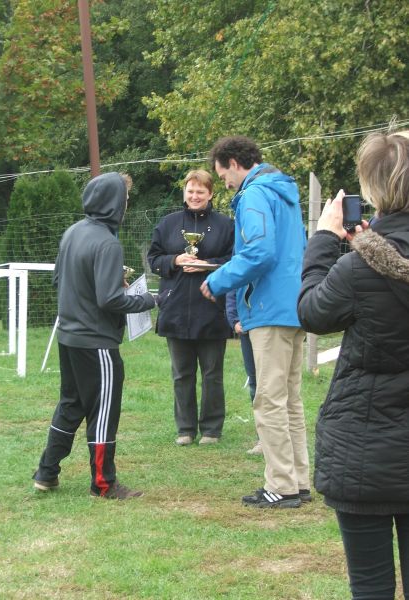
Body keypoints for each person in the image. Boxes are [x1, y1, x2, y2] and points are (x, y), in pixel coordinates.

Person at [297, 130, 409, 599]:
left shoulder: (357, 268)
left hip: (366, 448)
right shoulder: (364, 261)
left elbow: (312, 312)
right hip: (373, 445)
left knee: (370, 585)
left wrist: (324, 239)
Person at [200, 135, 310, 508]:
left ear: (233, 162)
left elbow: (258, 252)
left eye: (223, 175)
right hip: (294, 306)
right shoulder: (285, 194)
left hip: (268, 309)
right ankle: (298, 479)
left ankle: (281, 485)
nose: (225, 184)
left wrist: (217, 280)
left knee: (269, 400)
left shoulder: (254, 194)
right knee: (289, 399)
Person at [33, 172, 156, 499]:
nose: (126, 204)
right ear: (114, 202)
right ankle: (104, 483)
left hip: (68, 337)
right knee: (102, 411)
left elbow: (59, 280)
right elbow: (109, 300)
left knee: (70, 404)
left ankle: (46, 472)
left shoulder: (73, 232)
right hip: (97, 342)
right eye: (125, 198)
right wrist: (148, 299)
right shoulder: (107, 242)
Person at [147, 169, 234, 445]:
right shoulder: (168, 223)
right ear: (184, 192)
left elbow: (234, 260)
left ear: (210, 194)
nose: (194, 196)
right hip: (175, 308)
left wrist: (208, 266)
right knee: (181, 374)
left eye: (200, 191)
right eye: (190, 190)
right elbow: (154, 258)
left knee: (212, 373)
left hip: (211, 308)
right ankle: (185, 428)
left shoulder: (225, 225)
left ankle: (211, 429)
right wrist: (175, 261)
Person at [225, 290, 261, 455]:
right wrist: (235, 320)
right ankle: (263, 437)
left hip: (270, 323)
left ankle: (280, 437)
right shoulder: (240, 262)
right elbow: (234, 289)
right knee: (254, 382)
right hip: (247, 326)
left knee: (273, 383)